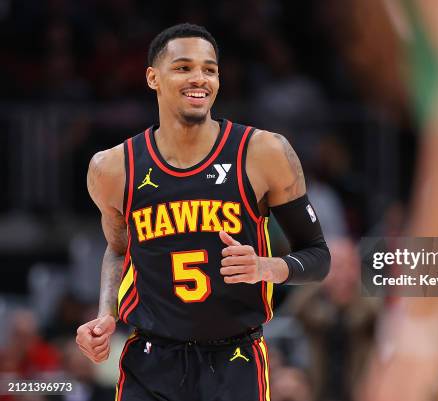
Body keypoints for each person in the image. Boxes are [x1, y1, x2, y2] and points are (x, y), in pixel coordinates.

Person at [75, 23, 330, 401]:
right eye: (183, 67)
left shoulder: (264, 153)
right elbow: (117, 250)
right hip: (151, 359)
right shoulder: (113, 168)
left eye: (209, 69)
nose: (200, 78)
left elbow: (319, 257)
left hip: (235, 359)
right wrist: (105, 314)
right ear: (152, 78)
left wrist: (267, 267)